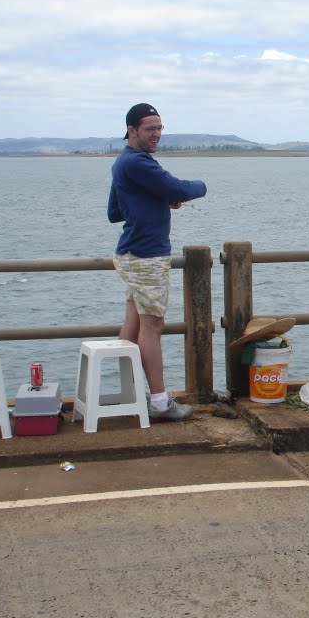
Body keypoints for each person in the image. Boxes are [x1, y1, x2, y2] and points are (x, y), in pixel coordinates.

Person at [108, 103, 207, 421]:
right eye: (150, 129)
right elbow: (179, 187)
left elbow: (115, 212)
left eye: (160, 128)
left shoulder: (124, 162)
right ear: (132, 130)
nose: (157, 134)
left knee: (133, 326)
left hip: (131, 254)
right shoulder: (138, 163)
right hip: (147, 256)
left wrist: (158, 199)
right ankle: (160, 403)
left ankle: (130, 395)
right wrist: (199, 187)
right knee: (153, 327)